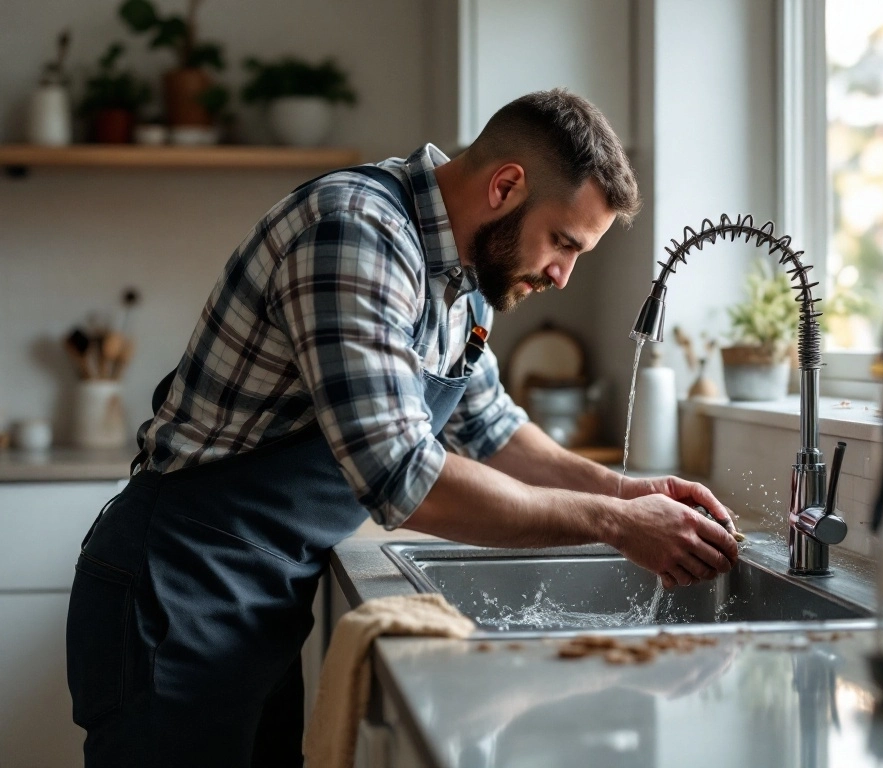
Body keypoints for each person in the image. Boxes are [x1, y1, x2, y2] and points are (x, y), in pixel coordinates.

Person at [65, 88, 739, 767]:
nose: (563, 276)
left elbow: (492, 428)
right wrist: (615, 524)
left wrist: (627, 493)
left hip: (258, 598)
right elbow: (402, 478)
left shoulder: (465, 277)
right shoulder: (353, 232)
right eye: (563, 242)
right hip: (176, 585)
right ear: (506, 186)